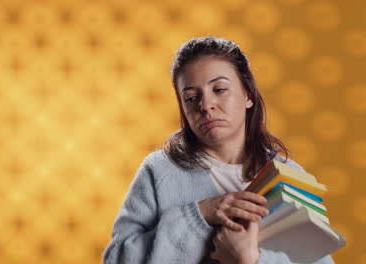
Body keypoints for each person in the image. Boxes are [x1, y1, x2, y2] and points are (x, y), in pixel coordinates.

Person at [103, 36, 334, 264]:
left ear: (248, 96)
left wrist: (251, 260)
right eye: (191, 98)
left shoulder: (289, 175)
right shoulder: (159, 171)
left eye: (220, 89)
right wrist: (198, 215)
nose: (205, 105)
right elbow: (117, 259)